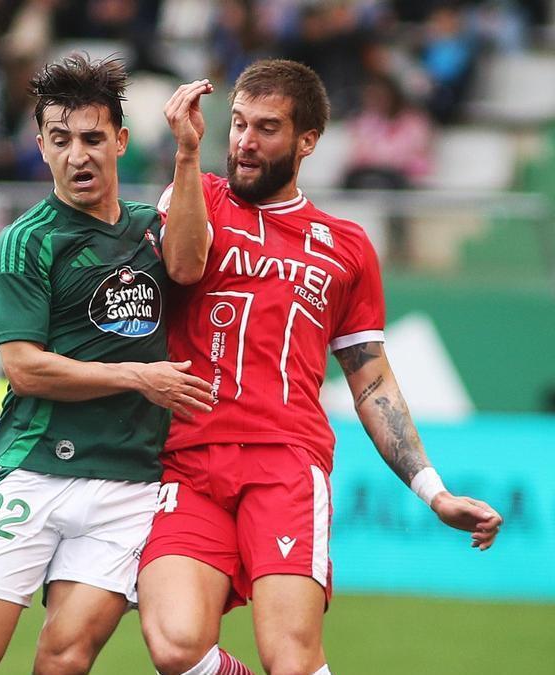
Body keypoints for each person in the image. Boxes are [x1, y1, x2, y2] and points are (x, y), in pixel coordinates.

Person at [138, 58, 503, 675]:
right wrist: (185, 155)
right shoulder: (197, 193)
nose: (245, 141)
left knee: (292, 659)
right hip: (189, 459)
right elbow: (181, 267)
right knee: (176, 647)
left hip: (285, 464)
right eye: (238, 124)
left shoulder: (347, 246)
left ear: (307, 141)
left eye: (268, 128)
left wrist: (433, 492)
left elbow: (372, 380)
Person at [0, 53, 215, 675]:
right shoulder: (28, 241)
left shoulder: (151, 228)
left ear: (121, 141)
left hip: (127, 484)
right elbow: (25, 368)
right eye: (61, 140)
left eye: (91, 138)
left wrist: (188, 155)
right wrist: (140, 376)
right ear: (41, 147)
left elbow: (190, 266)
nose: (77, 155)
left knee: (66, 658)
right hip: (34, 470)